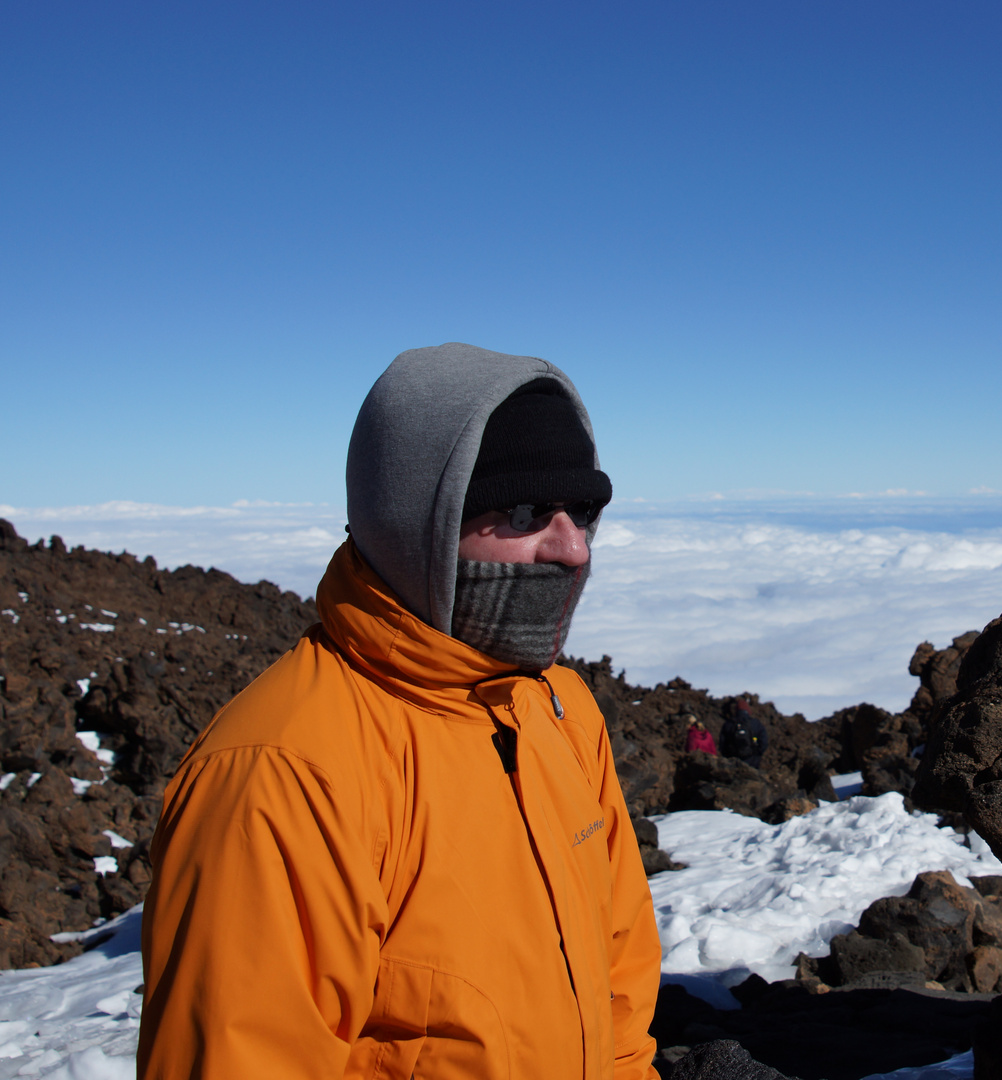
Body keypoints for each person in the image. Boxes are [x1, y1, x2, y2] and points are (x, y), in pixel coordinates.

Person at [137, 343, 661, 1080]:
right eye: (523, 511)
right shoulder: (283, 775)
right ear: (416, 522)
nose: (573, 549)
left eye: (585, 510)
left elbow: (619, 983)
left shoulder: (558, 710)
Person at [719, 701, 768, 768]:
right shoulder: (755, 723)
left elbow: (722, 744)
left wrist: (728, 756)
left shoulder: (728, 724)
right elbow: (764, 742)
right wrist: (757, 754)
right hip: (752, 761)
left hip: (733, 762)